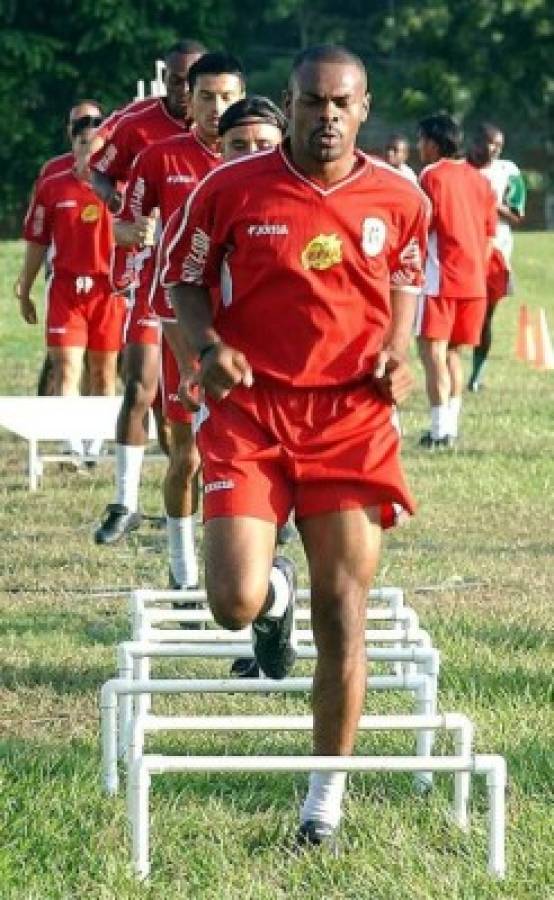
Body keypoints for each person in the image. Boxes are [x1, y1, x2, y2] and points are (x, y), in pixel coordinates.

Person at [162, 44, 428, 846]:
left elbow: (408, 275)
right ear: (291, 102)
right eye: (313, 102)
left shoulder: (398, 197)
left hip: (350, 422)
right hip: (250, 415)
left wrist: (399, 347)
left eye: (342, 104)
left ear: (366, 107)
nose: (328, 117)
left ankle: (322, 809)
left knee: (344, 612)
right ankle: (271, 600)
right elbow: (181, 280)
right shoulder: (230, 187)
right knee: (232, 601)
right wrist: (207, 349)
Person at [102, 53, 245, 587]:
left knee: (244, 452)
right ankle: (183, 572)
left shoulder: (260, 158)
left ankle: (249, 556)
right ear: (190, 97)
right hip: (180, 317)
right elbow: (124, 225)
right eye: (205, 95)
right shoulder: (160, 158)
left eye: (226, 96)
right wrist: (129, 234)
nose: (215, 107)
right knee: (185, 453)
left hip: (247, 322)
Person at [92, 40, 206, 543]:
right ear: (166, 78)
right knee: (139, 385)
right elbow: (97, 172)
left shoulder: (232, 134)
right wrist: (125, 208)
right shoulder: (139, 124)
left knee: (186, 408)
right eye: (177, 80)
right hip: (151, 277)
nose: (184, 90)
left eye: (193, 81)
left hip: (206, 289)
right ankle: (124, 502)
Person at [18, 114, 126, 461]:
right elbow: (37, 239)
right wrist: (25, 286)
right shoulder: (54, 186)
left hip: (108, 291)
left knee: (104, 371)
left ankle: (95, 445)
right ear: (74, 146)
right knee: (66, 366)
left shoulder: (120, 188)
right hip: (66, 289)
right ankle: (70, 443)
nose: (90, 153)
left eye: (98, 147)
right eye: (83, 144)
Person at [415, 113, 497, 448]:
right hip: (474, 282)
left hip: (440, 279)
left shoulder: (431, 175)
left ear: (433, 143)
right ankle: (450, 425)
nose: (419, 146)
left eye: (421, 140)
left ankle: (438, 431)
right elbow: (490, 235)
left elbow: (421, 227)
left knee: (431, 351)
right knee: (453, 355)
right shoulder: (480, 179)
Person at [467, 123, 526, 391]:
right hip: (462, 250)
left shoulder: (507, 171)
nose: (493, 150)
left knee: (485, 317)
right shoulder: (458, 169)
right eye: (489, 143)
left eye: (499, 146)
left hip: (496, 253)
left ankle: (476, 375)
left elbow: (517, 215)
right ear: (475, 141)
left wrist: (491, 201)